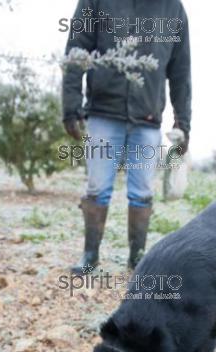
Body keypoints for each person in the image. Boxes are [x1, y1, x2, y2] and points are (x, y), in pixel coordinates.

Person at [62, 0, 192, 273]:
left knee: (142, 192)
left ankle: (137, 258)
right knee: (97, 188)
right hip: (102, 112)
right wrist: (70, 106)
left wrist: (183, 122)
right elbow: (76, 50)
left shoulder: (172, 8)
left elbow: (180, 71)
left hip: (147, 118)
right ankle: (90, 256)